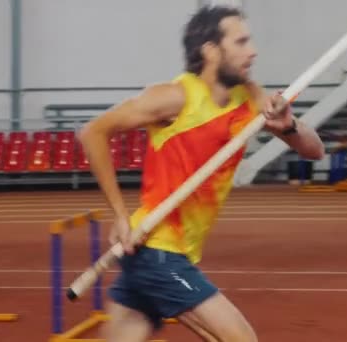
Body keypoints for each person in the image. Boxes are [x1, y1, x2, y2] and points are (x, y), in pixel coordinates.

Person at [78, 5, 325, 342]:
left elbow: (314, 150)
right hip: (156, 248)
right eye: (240, 42)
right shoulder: (174, 97)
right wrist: (120, 215)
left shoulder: (249, 97)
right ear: (210, 50)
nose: (252, 51)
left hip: (161, 253)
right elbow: (93, 132)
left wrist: (289, 126)